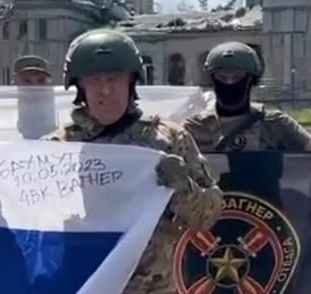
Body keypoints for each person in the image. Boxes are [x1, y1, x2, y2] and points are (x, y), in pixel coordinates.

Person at [41, 28, 222, 293]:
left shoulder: (169, 139)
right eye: (94, 80)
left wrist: (184, 187)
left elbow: (208, 216)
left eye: (114, 79)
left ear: (131, 82)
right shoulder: (57, 150)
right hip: (83, 284)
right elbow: (20, 213)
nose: (105, 90)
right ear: (80, 87)